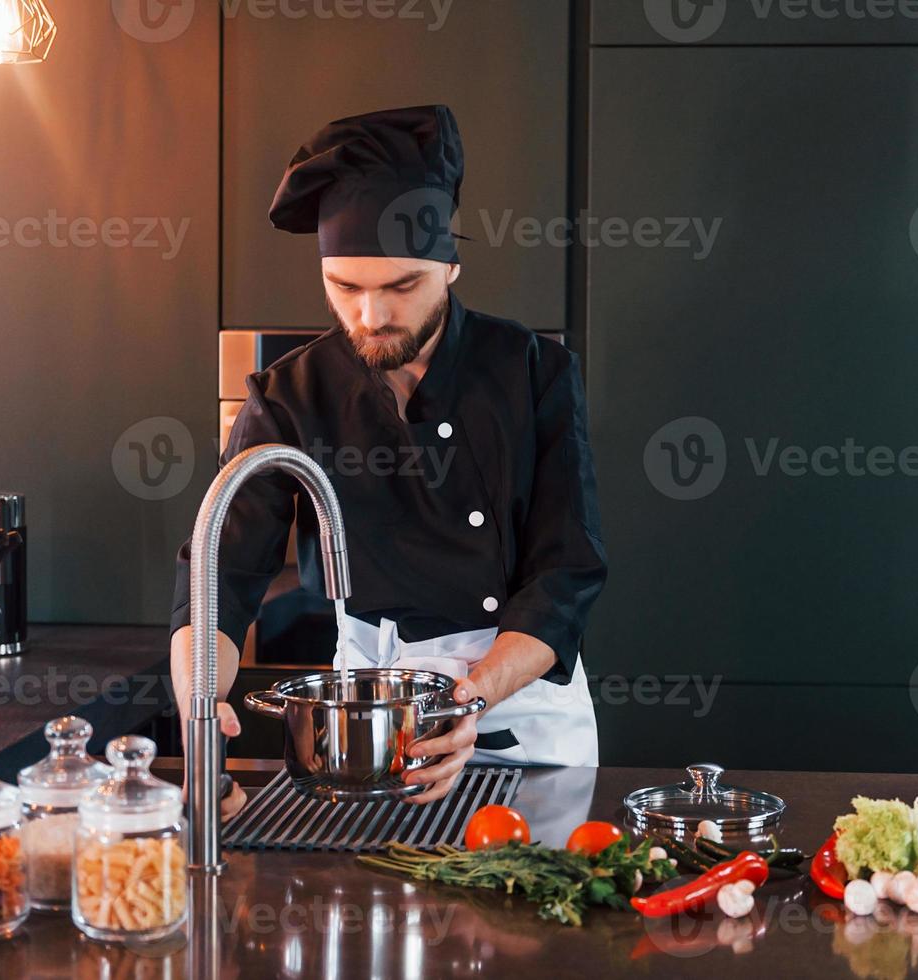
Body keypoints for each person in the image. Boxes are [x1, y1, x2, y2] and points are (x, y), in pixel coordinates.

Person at [170, 105, 606, 816]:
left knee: (530, 916)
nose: (372, 316)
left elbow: (567, 571)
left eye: (401, 287)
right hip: (366, 724)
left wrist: (468, 699)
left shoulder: (534, 373)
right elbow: (221, 568)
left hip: (524, 717)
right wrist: (200, 703)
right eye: (346, 288)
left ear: (450, 263)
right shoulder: (291, 396)